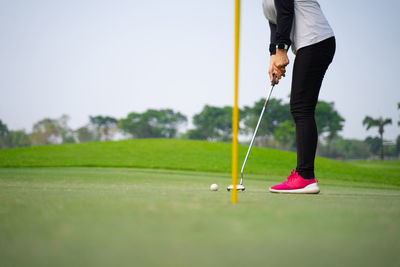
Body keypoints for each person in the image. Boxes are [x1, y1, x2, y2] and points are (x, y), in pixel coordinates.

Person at [262, 0, 336, 194]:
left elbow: (286, 12)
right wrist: (273, 57)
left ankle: (305, 176)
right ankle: (305, 176)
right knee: (301, 108)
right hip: (310, 45)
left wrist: (281, 50)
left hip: (316, 40)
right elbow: (275, 22)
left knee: (301, 108)